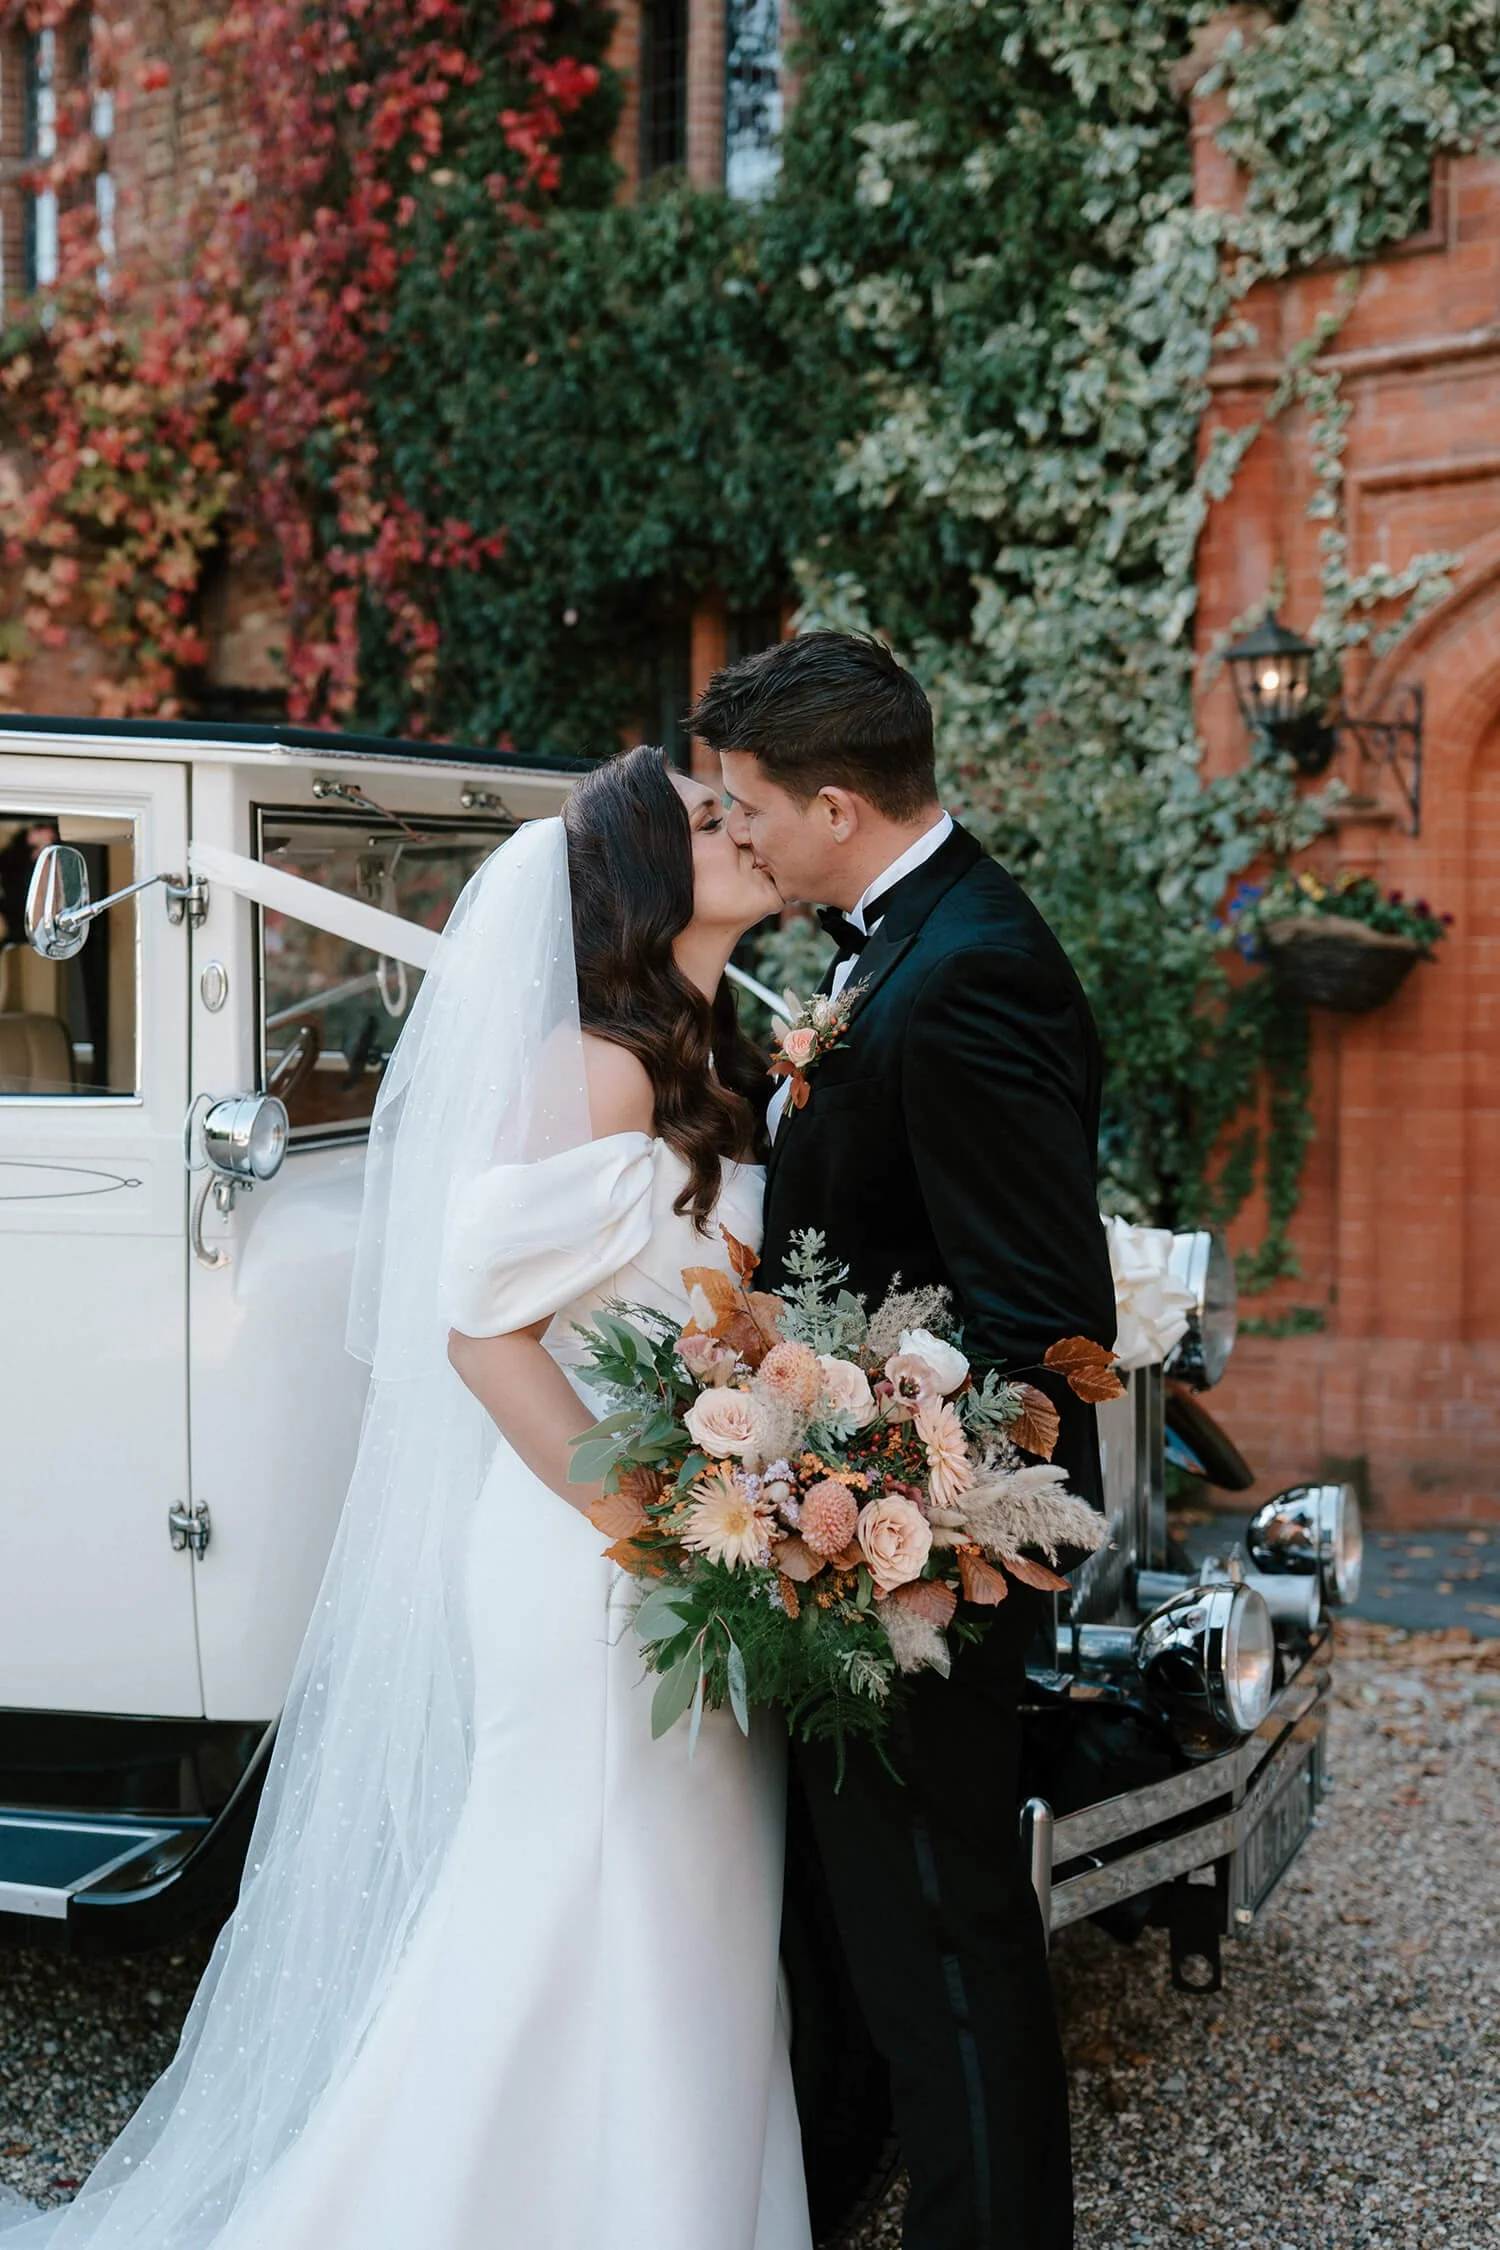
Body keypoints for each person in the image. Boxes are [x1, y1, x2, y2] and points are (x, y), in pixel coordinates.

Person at [0, 747, 811, 2250]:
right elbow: (478, 1331)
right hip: (592, 1550)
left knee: (693, 1911)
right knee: (580, 1897)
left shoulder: (709, 1052)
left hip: (694, 1538)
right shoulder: (594, 1065)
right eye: (709, 819)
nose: (747, 831)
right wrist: (632, 1515)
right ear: (637, 876)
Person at [692, 630, 1117, 2250]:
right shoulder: (898, 942)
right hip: (855, 1551)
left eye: (751, 811)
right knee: (874, 1940)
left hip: (931, 1577)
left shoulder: (972, 967)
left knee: (946, 1947)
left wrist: (909, 1525)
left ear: (838, 801)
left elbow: (1050, 1324)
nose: (741, 838)